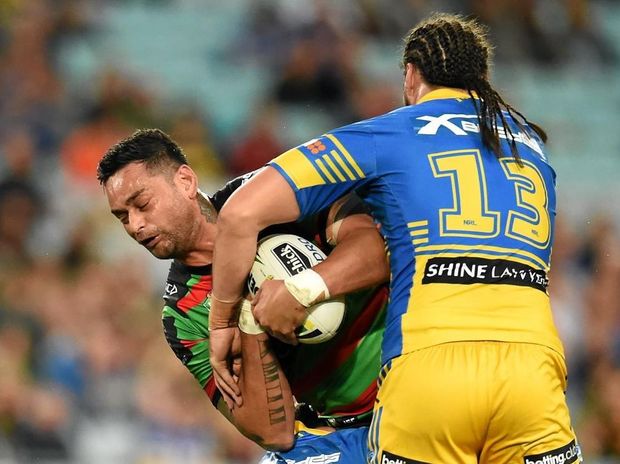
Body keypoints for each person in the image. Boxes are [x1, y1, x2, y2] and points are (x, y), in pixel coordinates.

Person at [209, 13, 581, 464]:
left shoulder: (390, 133)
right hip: (532, 369)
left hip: (429, 370)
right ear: (481, 79)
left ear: (410, 75)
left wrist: (224, 321)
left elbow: (240, 212)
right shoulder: (532, 148)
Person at [96, 128, 390, 463]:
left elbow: (377, 252)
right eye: (122, 217)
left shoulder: (274, 197)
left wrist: (300, 290)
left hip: (414, 370)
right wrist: (252, 323)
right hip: (346, 428)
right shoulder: (182, 315)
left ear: (185, 181)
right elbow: (273, 433)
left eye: (142, 204)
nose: (135, 225)